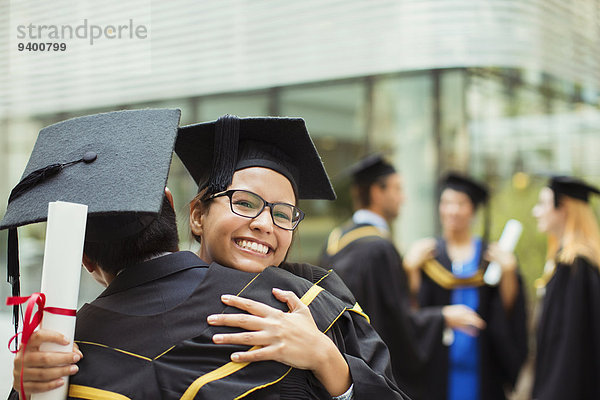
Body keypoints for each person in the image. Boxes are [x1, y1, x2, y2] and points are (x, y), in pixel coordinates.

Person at [7, 113, 407, 399]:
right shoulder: (77, 340)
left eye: (283, 213)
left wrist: (328, 360)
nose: (265, 223)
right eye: (245, 203)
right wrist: (29, 384)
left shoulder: (315, 302)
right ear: (196, 215)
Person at [319, 155, 485, 399]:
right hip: (369, 371)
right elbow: (395, 326)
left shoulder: (336, 240)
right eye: (397, 189)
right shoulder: (379, 248)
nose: (403, 198)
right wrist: (442, 317)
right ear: (377, 192)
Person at [403, 172, 528, 400]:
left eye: (461, 203)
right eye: (447, 202)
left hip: (482, 364)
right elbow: (411, 309)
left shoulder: (489, 256)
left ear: (473, 210)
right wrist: (410, 268)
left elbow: (508, 311)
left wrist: (509, 272)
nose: (453, 210)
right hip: (438, 366)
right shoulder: (428, 255)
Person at [531, 176, 600, 400]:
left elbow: (569, 345)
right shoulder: (567, 261)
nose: (536, 212)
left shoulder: (575, 266)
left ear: (564, 209)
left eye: (543, 204)